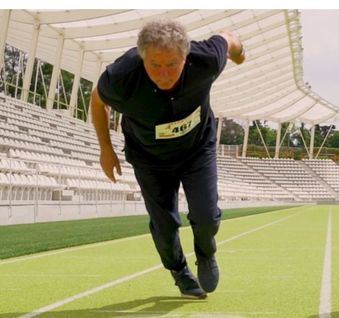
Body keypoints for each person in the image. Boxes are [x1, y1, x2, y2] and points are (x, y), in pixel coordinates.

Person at [91, 19, 245, 299]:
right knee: (164, 224)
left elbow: (228, 36)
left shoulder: (206, 59)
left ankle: (206, 253)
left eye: (172, 64)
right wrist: (106, 148)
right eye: (155, 66)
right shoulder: (121, 78)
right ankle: (180, 271)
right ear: (142, 58)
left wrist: (239, 54)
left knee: (207, 215)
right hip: (149, 157)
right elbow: (97, 100)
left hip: (197, 149)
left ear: (186, 57)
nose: (164, 74)